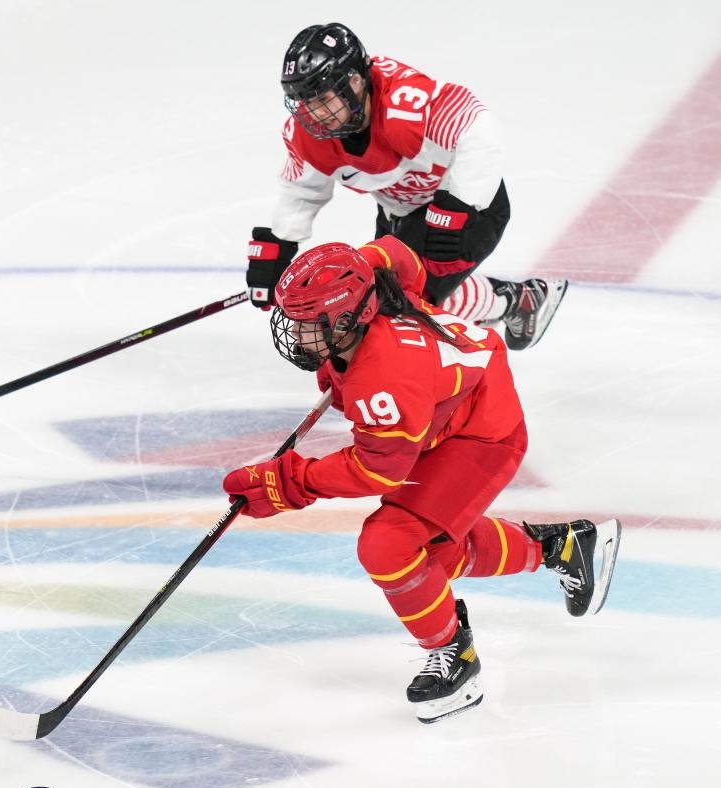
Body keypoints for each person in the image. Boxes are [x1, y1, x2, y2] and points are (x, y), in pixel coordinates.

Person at [223, 236, 620, 723]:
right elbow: (396, 252)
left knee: (389, 545)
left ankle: (455, 656)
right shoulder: (370, 287)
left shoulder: (385, 377)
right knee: (429, 554)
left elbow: (375, 468)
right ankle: (560, 547)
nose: (294, 333)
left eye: (308, 323)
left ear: (347, 319)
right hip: (451, 409)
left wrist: (288, 483)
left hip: (482, 432)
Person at [245, 21, 567, 350]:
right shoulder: (310, 133)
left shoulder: (404, 103)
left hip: (465, 212)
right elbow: (302, 190)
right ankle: (520, 300)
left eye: (322, 99)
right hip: (399, 213)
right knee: (380, 297)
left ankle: (510, 302)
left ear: (354, 81)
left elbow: (477, 129)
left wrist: (460, 204)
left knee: (391, 301)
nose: (313, 113)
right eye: (304, 101)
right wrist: (281, 241)